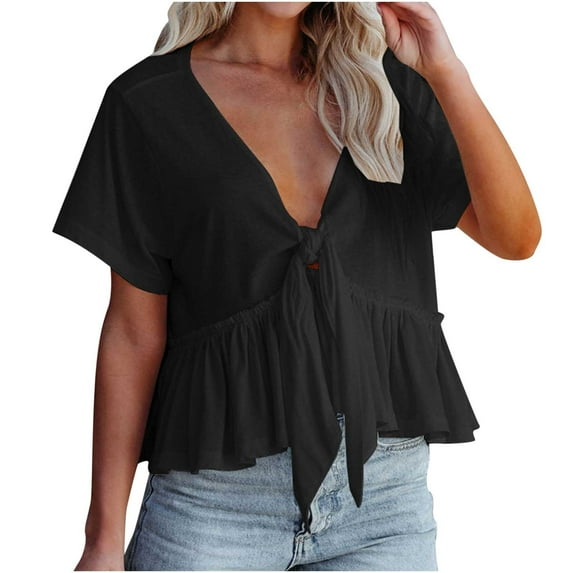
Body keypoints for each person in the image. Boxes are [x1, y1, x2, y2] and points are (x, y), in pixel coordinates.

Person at [52, 2, 541, 571]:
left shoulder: (389, 84)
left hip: (382, 508)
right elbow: (134, 333)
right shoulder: (147, 103)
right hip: (215, 504)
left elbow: (516, 239)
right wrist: (102, 539)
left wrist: (446, 71)